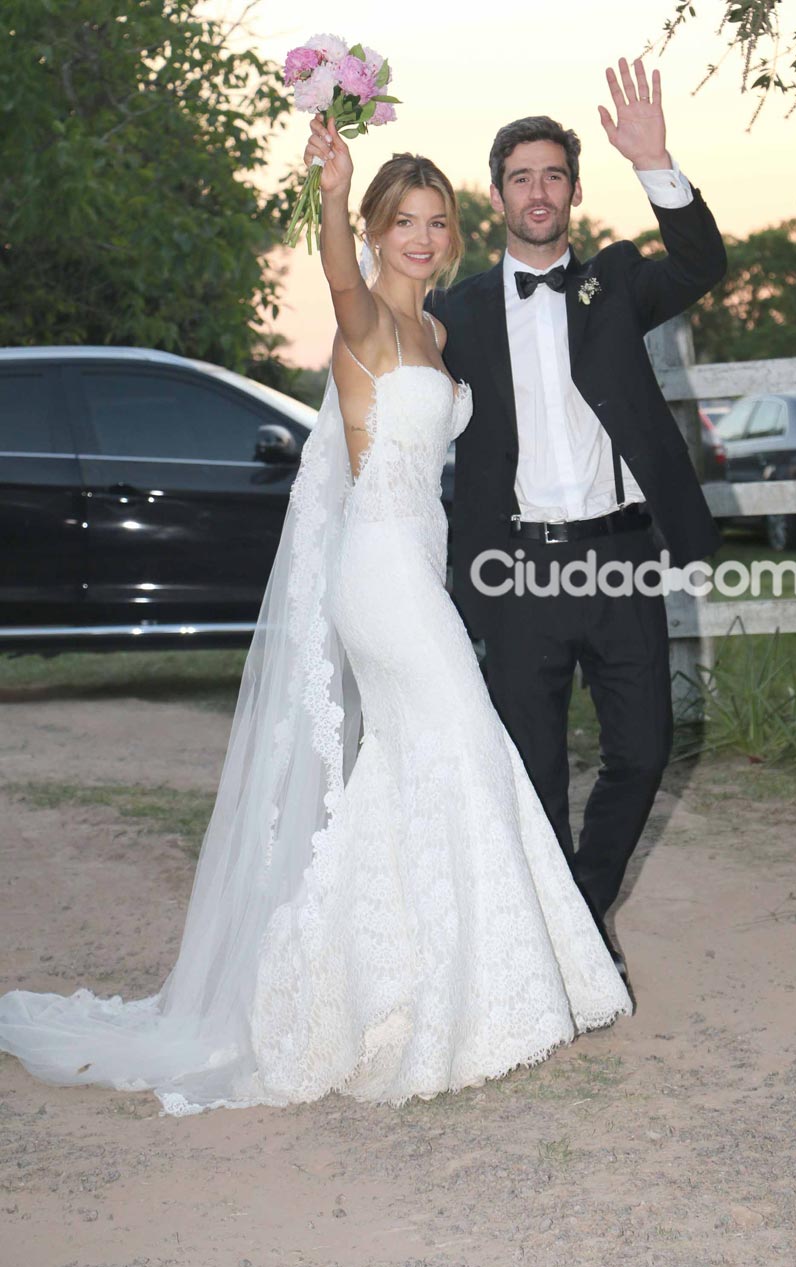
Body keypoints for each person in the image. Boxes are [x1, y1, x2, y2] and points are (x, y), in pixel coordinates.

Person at [0, 102, 631, 1115]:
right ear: (378, 231)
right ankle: (448, 989)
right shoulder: (369, 320)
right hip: (376, 572)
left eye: (437, 223)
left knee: (421, 761)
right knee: (467, 742)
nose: (424, 238)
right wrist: (331, 191)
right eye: (404, 222)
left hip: (417, 566)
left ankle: (402, 977)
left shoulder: (434, 328)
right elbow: (334, 272)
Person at [427, 57, 727, 980]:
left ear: (573, 188)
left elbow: (702, 264)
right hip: (513, 572)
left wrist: (657, 164)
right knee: (534, 769)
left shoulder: (617, 281)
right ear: (496, 196)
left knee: (643, 752)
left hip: (620, 559)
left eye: (553, 174)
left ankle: (576, 909)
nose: (538, 191)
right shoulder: (456, 312)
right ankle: (564, 946)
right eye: (521, 177)